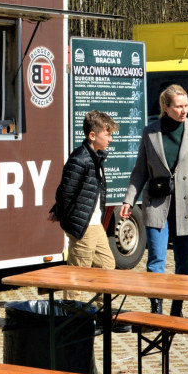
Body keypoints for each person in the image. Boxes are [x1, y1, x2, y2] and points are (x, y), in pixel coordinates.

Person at [122, 84, 188, 316]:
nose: (184, 110)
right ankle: (156, 307)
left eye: (186, 106)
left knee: (184, 262)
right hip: (157, 204)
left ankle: (178, 306)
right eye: (178, 106)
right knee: (155, 259)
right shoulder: (150, 132)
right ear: (166, 107)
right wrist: (128, 199)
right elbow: (139, 171)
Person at [49, 110, 121, 284]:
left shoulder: (96, 158)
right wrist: (60, 213)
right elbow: (65, 192)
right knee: (78, 274)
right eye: (107, 134)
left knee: (107, 266)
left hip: (95, 224)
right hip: (83, 226)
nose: (110, 139)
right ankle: (72, 309)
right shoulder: (79, 159)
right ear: (92, 135)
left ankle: (97, 309)